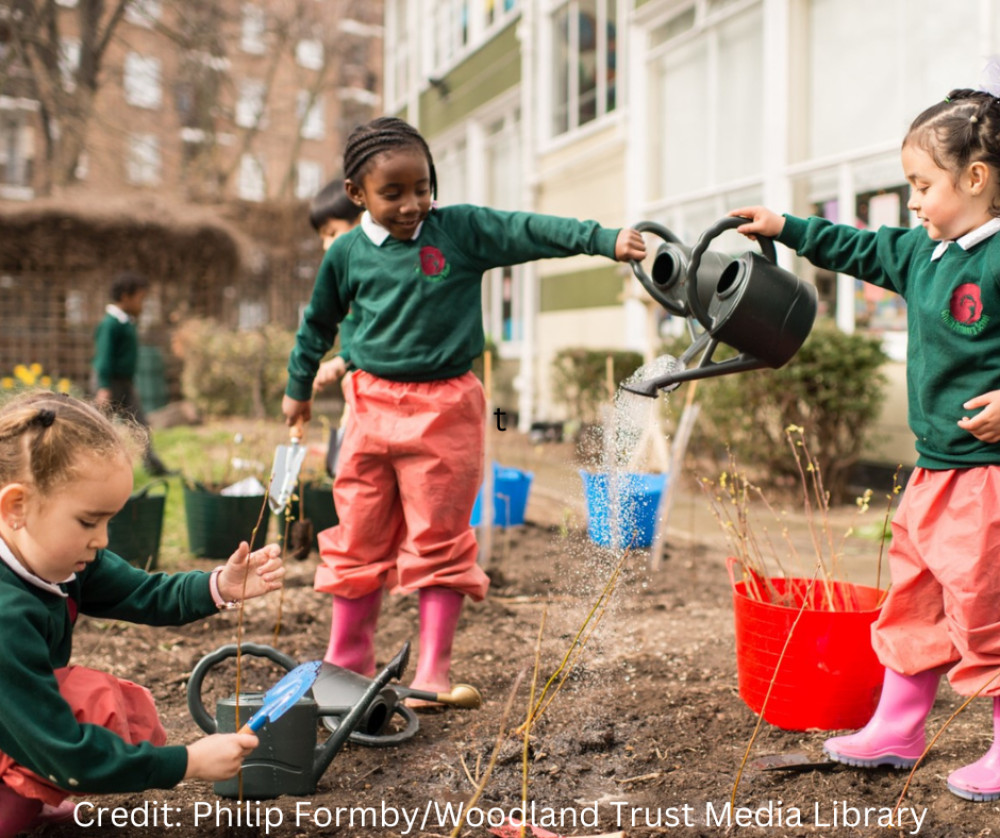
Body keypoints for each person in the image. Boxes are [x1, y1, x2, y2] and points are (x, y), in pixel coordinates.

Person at [282, 116, 646, 704]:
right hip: (370, 406)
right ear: (357, 195)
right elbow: (318, 323)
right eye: (392, 193)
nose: (412, 204)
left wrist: (602, 238)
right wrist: (299, 386)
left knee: (440, 535)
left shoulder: (459, 231)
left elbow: (530, 229)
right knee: (357, 530)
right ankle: (345, 663)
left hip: (445, 409)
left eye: (422, 188)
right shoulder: (347, 253)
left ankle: (432, 673)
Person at [730, 85, 1000, 802]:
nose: (911, 202)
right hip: (933, 472)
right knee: (912, 598)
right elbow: (857, 246)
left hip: (989, 479)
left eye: (921, 185)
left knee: (986, 608)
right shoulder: (923, 252)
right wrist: (785, 225)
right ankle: (898, 726)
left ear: (976, 180)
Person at [0, 391, 284, 836]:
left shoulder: (65, 559)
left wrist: (219, 587)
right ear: (16, 508)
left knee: (113, 708)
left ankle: (25, 798)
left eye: (109, 520)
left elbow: (145, 592)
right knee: (73, 721)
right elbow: (68, 752)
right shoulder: (5, 616)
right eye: (88, 521)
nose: (103, 540)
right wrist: (188, 762)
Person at [307, 178, 364, 476]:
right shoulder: (346, 274)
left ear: (361, 219)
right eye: (322, 237)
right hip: (356, 390)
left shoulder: (373, 274)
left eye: (332, 232)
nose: (327, 244)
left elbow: (378, 332)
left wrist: (342, 359)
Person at [93, 271, 172, 476]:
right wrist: (103, 387)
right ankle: (93, 469)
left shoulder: (126, 322)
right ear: (125, 297)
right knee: (100, 427)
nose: (142, 305)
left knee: (140, 424)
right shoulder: (110, 323)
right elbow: (104, 356)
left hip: (124, 383)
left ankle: (153, 466)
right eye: (140, 299)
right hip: (110, 383)